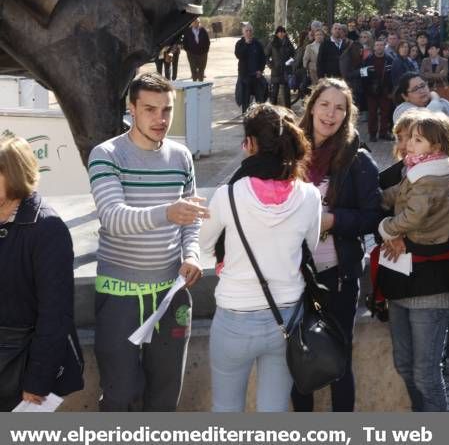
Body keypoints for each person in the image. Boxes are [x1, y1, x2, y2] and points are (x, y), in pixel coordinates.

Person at [88, 73, 207, 411]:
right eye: (150, 110)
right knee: (119, 396)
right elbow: (113, 217)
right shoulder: (106, 154)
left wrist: (193, 253)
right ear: (132, 109)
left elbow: (191, 217)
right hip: (119, 296)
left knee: (165, 397)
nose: (161, 119)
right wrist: (169, 212)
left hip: (171, 295)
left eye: (167, 110)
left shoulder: (182, 157)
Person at [200, 104, 320, 412]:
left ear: (251, 144)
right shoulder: (309, 196)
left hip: (234, 317)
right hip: (286, 319)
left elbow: (203, 244)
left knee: (226, 409)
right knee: (274, 410)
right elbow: (311, 246)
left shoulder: (228, 195)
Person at [293, 79, 382, 412]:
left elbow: (373, 216)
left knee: (340, 359)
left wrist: (333, 221)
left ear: (347, 115)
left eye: (340, 108)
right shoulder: (291, 152)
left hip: (337, 276)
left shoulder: (357, 160)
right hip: (293, 275)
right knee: (299, 359)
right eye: (325, 104)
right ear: (312, 105)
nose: (331, 114)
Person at [378, 112, 449, 411]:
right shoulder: (406, 170)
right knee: (404, 365)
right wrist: (390, 230)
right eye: (402, 137)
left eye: (414, 138)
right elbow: (377, 202)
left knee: (426, 374)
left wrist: (405, 237)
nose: (406, 144)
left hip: (429, 286)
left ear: (436, 145)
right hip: (398, 282)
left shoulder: (445, 174)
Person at [0, 136, 84, 411]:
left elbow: (56, 313)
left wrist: (37, 379)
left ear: (13, 175)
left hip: (22, 372)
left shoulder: (47, 229)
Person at [361, 39, 394, 142]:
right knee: (372, 113)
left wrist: (391, 90)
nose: (379, 47)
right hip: (371, 91)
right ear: (374, 47)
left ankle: (383, 133)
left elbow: (392, 75)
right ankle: (372, 134)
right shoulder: (367, 59)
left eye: (381, 45)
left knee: (385, 113)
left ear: (384, 46)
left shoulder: (389, 59)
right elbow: (363, 74)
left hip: (385, 90)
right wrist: (366, 89)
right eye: (377, 45)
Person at [234, 23, 268, 114]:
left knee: (260, 100)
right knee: (245, 100)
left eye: (250, 31)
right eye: (246, 31)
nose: (249, 33)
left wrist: (260, 70)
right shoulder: (240, 43)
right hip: (245, 77)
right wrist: (246, 44)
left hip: (256, 76)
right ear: (243, 33)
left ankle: (260, 118)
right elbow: (239, 55)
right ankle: (246, 117)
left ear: (252, 32)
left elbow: (263, 59)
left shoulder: (257, 43)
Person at [267, 26, 296, 107]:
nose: (281, 33)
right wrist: (271, 65)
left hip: (286, 71)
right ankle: (273, 112)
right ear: (276, 33)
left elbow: (294, 56)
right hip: (276, 70)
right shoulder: (272, 43)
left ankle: (288, 112)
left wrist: (289, 63)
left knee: (287, 93)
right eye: (279, 32)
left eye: (283, 32)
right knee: (274, 93)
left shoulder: (288, 43)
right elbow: (266, 56)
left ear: (285, 33)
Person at [182, 18, 211, 82]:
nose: (196, 24)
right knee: (193, 69)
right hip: (192, 54)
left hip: (203, 54)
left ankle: (200, 83)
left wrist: (206, 51)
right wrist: (188, 51)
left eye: (198, 22)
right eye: (195, 22)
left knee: (201, 69)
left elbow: (207, 42)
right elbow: (184, 42)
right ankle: (194, 83)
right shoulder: (188, 31)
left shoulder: (203, 30)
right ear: (192, 23)